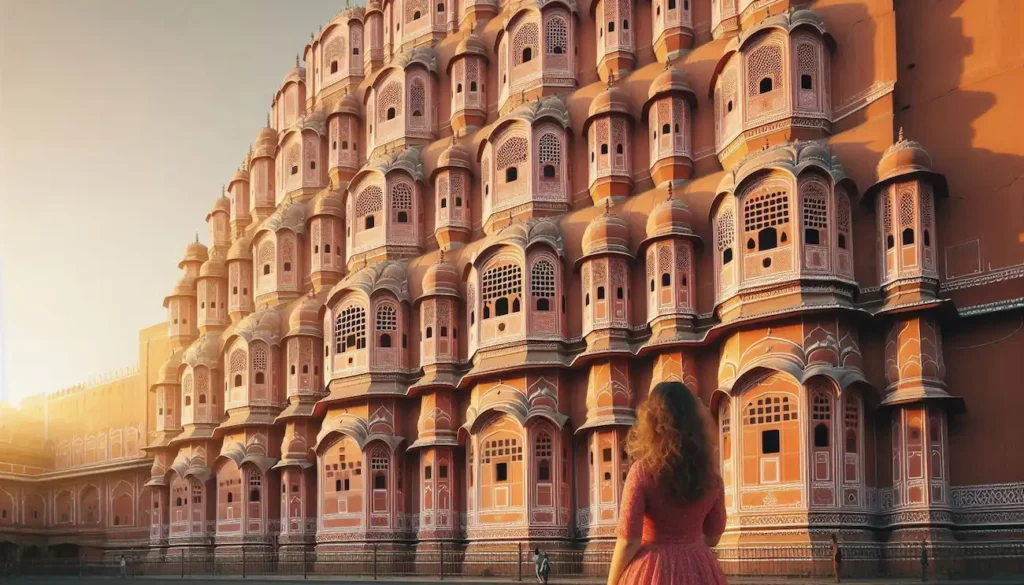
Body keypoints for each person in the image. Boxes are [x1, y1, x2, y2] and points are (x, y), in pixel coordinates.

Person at [606, 381, 727, 585]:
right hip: (698, 567)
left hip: (653, 569)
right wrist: (685, 542)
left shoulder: (642, 472)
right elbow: (713, 536)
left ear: (650, 422)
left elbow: (629, 541)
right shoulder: (711, 478)